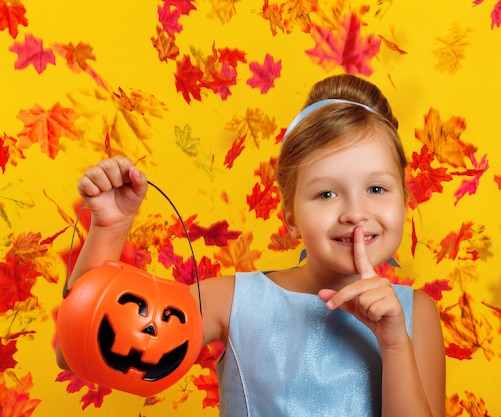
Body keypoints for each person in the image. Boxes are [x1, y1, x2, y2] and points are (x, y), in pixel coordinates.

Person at [57, 74, 446, 417]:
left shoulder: (416, 314)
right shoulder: (232, 300)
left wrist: (394, 342)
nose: (355, 213)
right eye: (326, 194)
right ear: (290, 214)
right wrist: (108, 229)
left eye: (377, 188)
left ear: (405, 199)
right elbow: (77, 351)